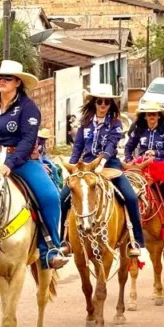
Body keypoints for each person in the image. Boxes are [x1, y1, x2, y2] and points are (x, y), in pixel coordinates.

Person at [0, 60, 70, 270]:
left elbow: (28, 140)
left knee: (50, 197)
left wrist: (11, 162)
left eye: (7, 78)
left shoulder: (28, 108)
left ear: (18, 81)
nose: (2, 81)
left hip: (21, 161)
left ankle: (50, 250)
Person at [66, 84, 143, 257]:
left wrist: (102, 162)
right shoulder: (85, 123)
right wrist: (72, 167)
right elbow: (78, 147)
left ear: (110, 105)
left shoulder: (115, 124)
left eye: (106, 102)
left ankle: (135, 239)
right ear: (94, 103)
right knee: (63, 196)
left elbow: (111, 145)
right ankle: (64, 240)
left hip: (110, 164)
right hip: (85, 166)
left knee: (130, 197)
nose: (102, 105)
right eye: (99, 101)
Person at [125, 101, 164, 239]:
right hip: (141, 165)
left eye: (154, 114)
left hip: (161, 165)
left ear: (159, 116)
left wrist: (154, 153)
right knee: (124, 186)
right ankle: (126, 223)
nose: (152, 117)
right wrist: (129, 159)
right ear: (145, 116)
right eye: (149, 114)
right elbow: (128, 147)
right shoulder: (139, 130)